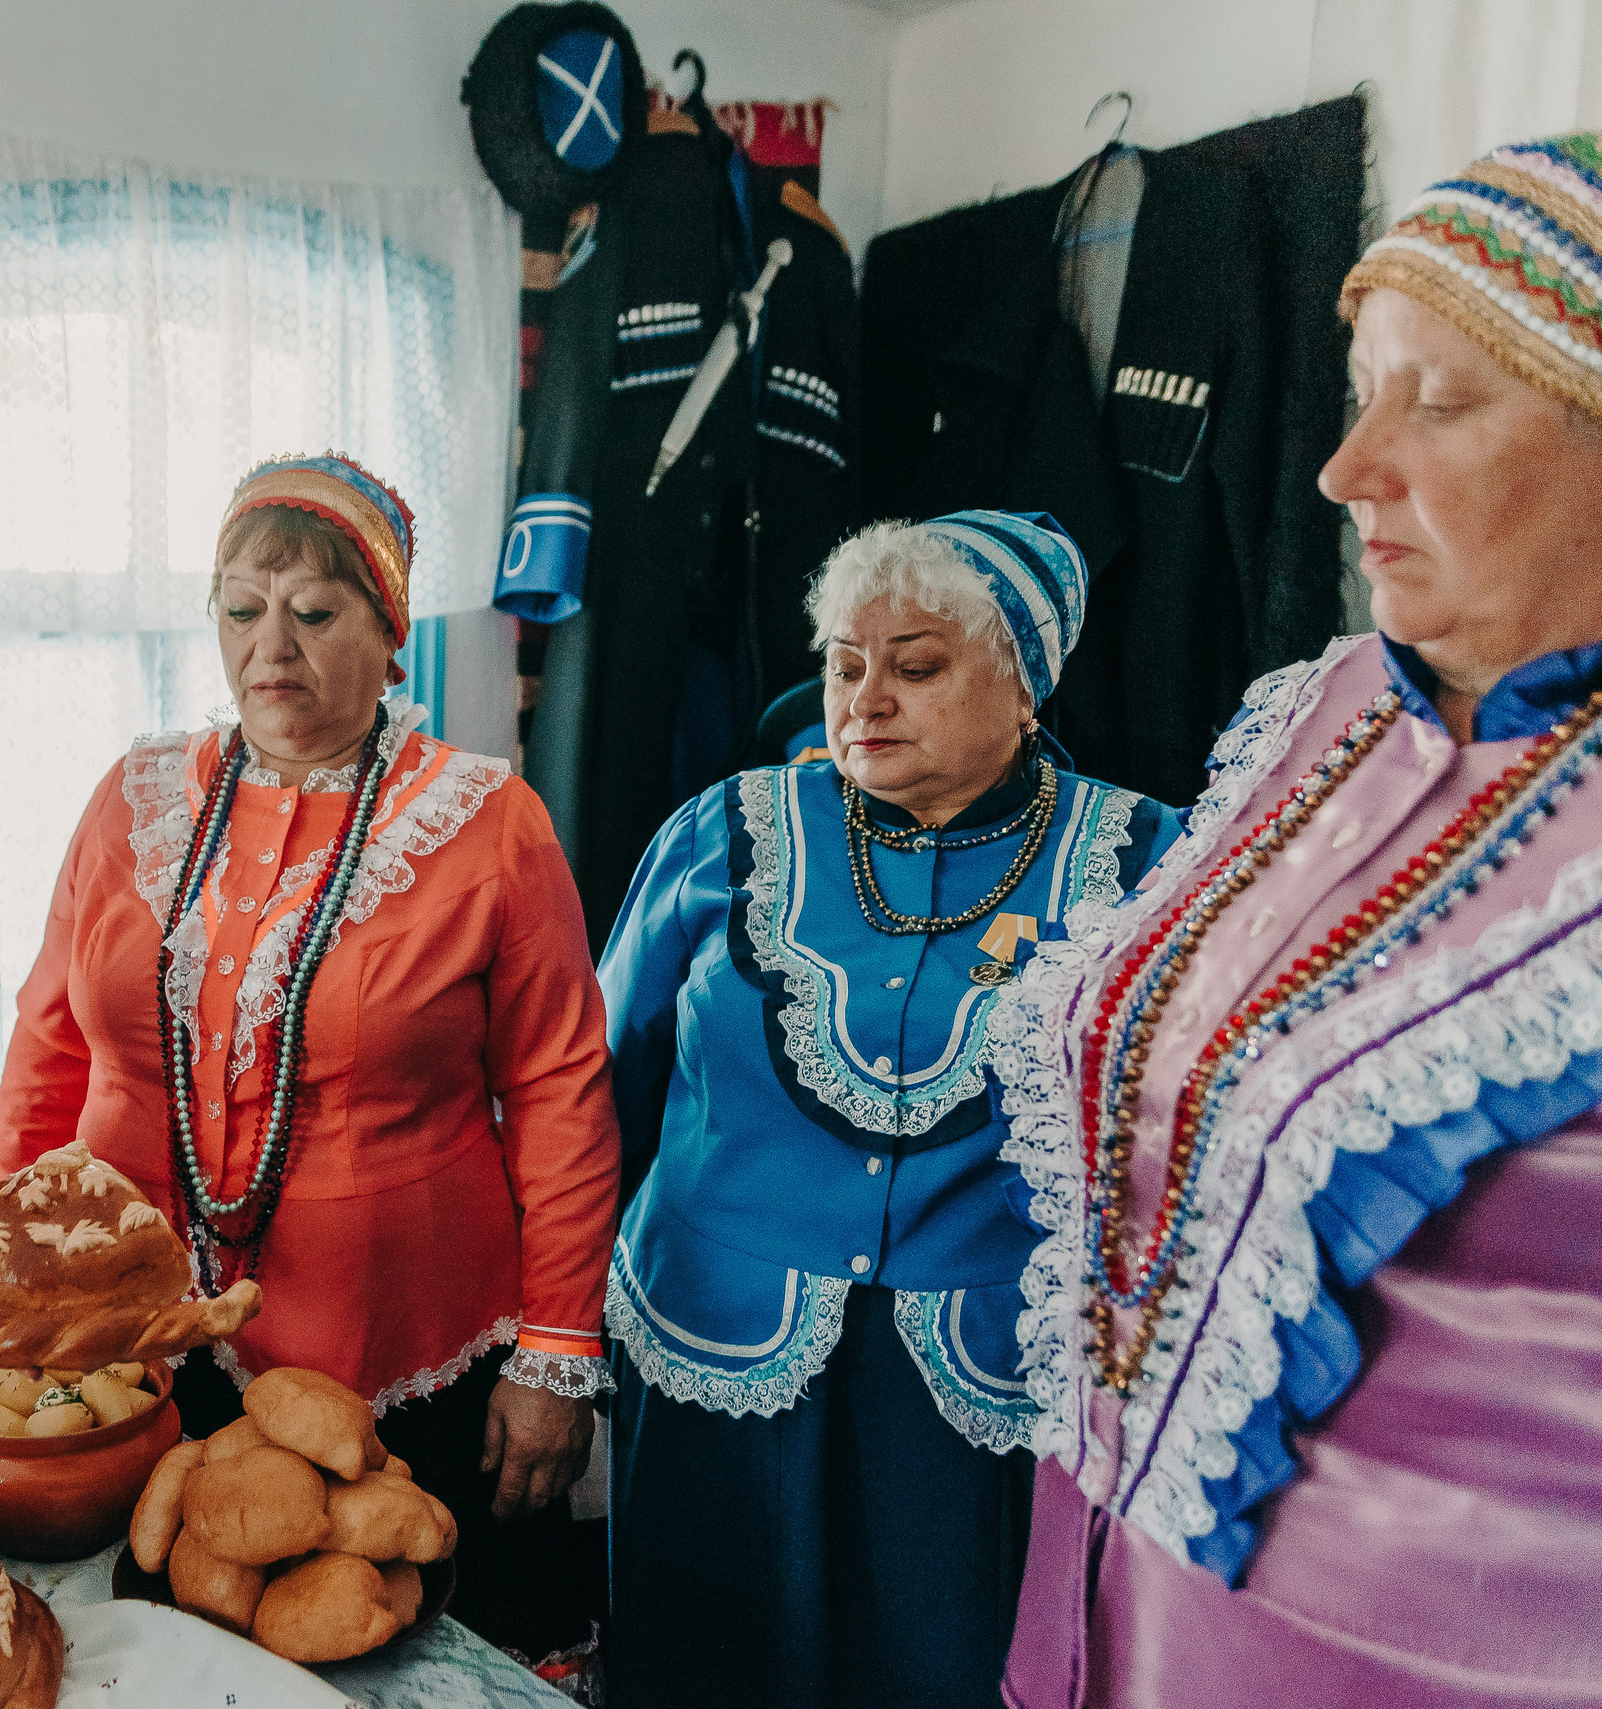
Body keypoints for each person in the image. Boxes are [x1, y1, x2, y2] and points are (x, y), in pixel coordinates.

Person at [990, 130, 1602, 1709]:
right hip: (1119, 1612)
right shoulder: (1318, 715)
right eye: (1362, 391)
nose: (1346, 470)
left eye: (1444, 402)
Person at [0, 453, 621, 1683]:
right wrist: (9, 1275)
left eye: (315, 611)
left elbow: (560, 1094)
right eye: (239, 607)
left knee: (398, 1658)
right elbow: (47, 1043)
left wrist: (557, 1353)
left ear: (390, 634)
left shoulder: (488, 822)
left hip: (408, 1350)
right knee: (161, 1660)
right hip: (139, 1340)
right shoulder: (136, 796)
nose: (269, 645)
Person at [598, 512, 1183, 1708]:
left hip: (972, 1407)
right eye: (842, 664)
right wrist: (548, 1351)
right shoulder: (724, 835)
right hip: (717, 1358)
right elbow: (598, 1086)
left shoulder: (1141, 860)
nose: (865, 697)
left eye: (915, 665)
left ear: (1024, 685)